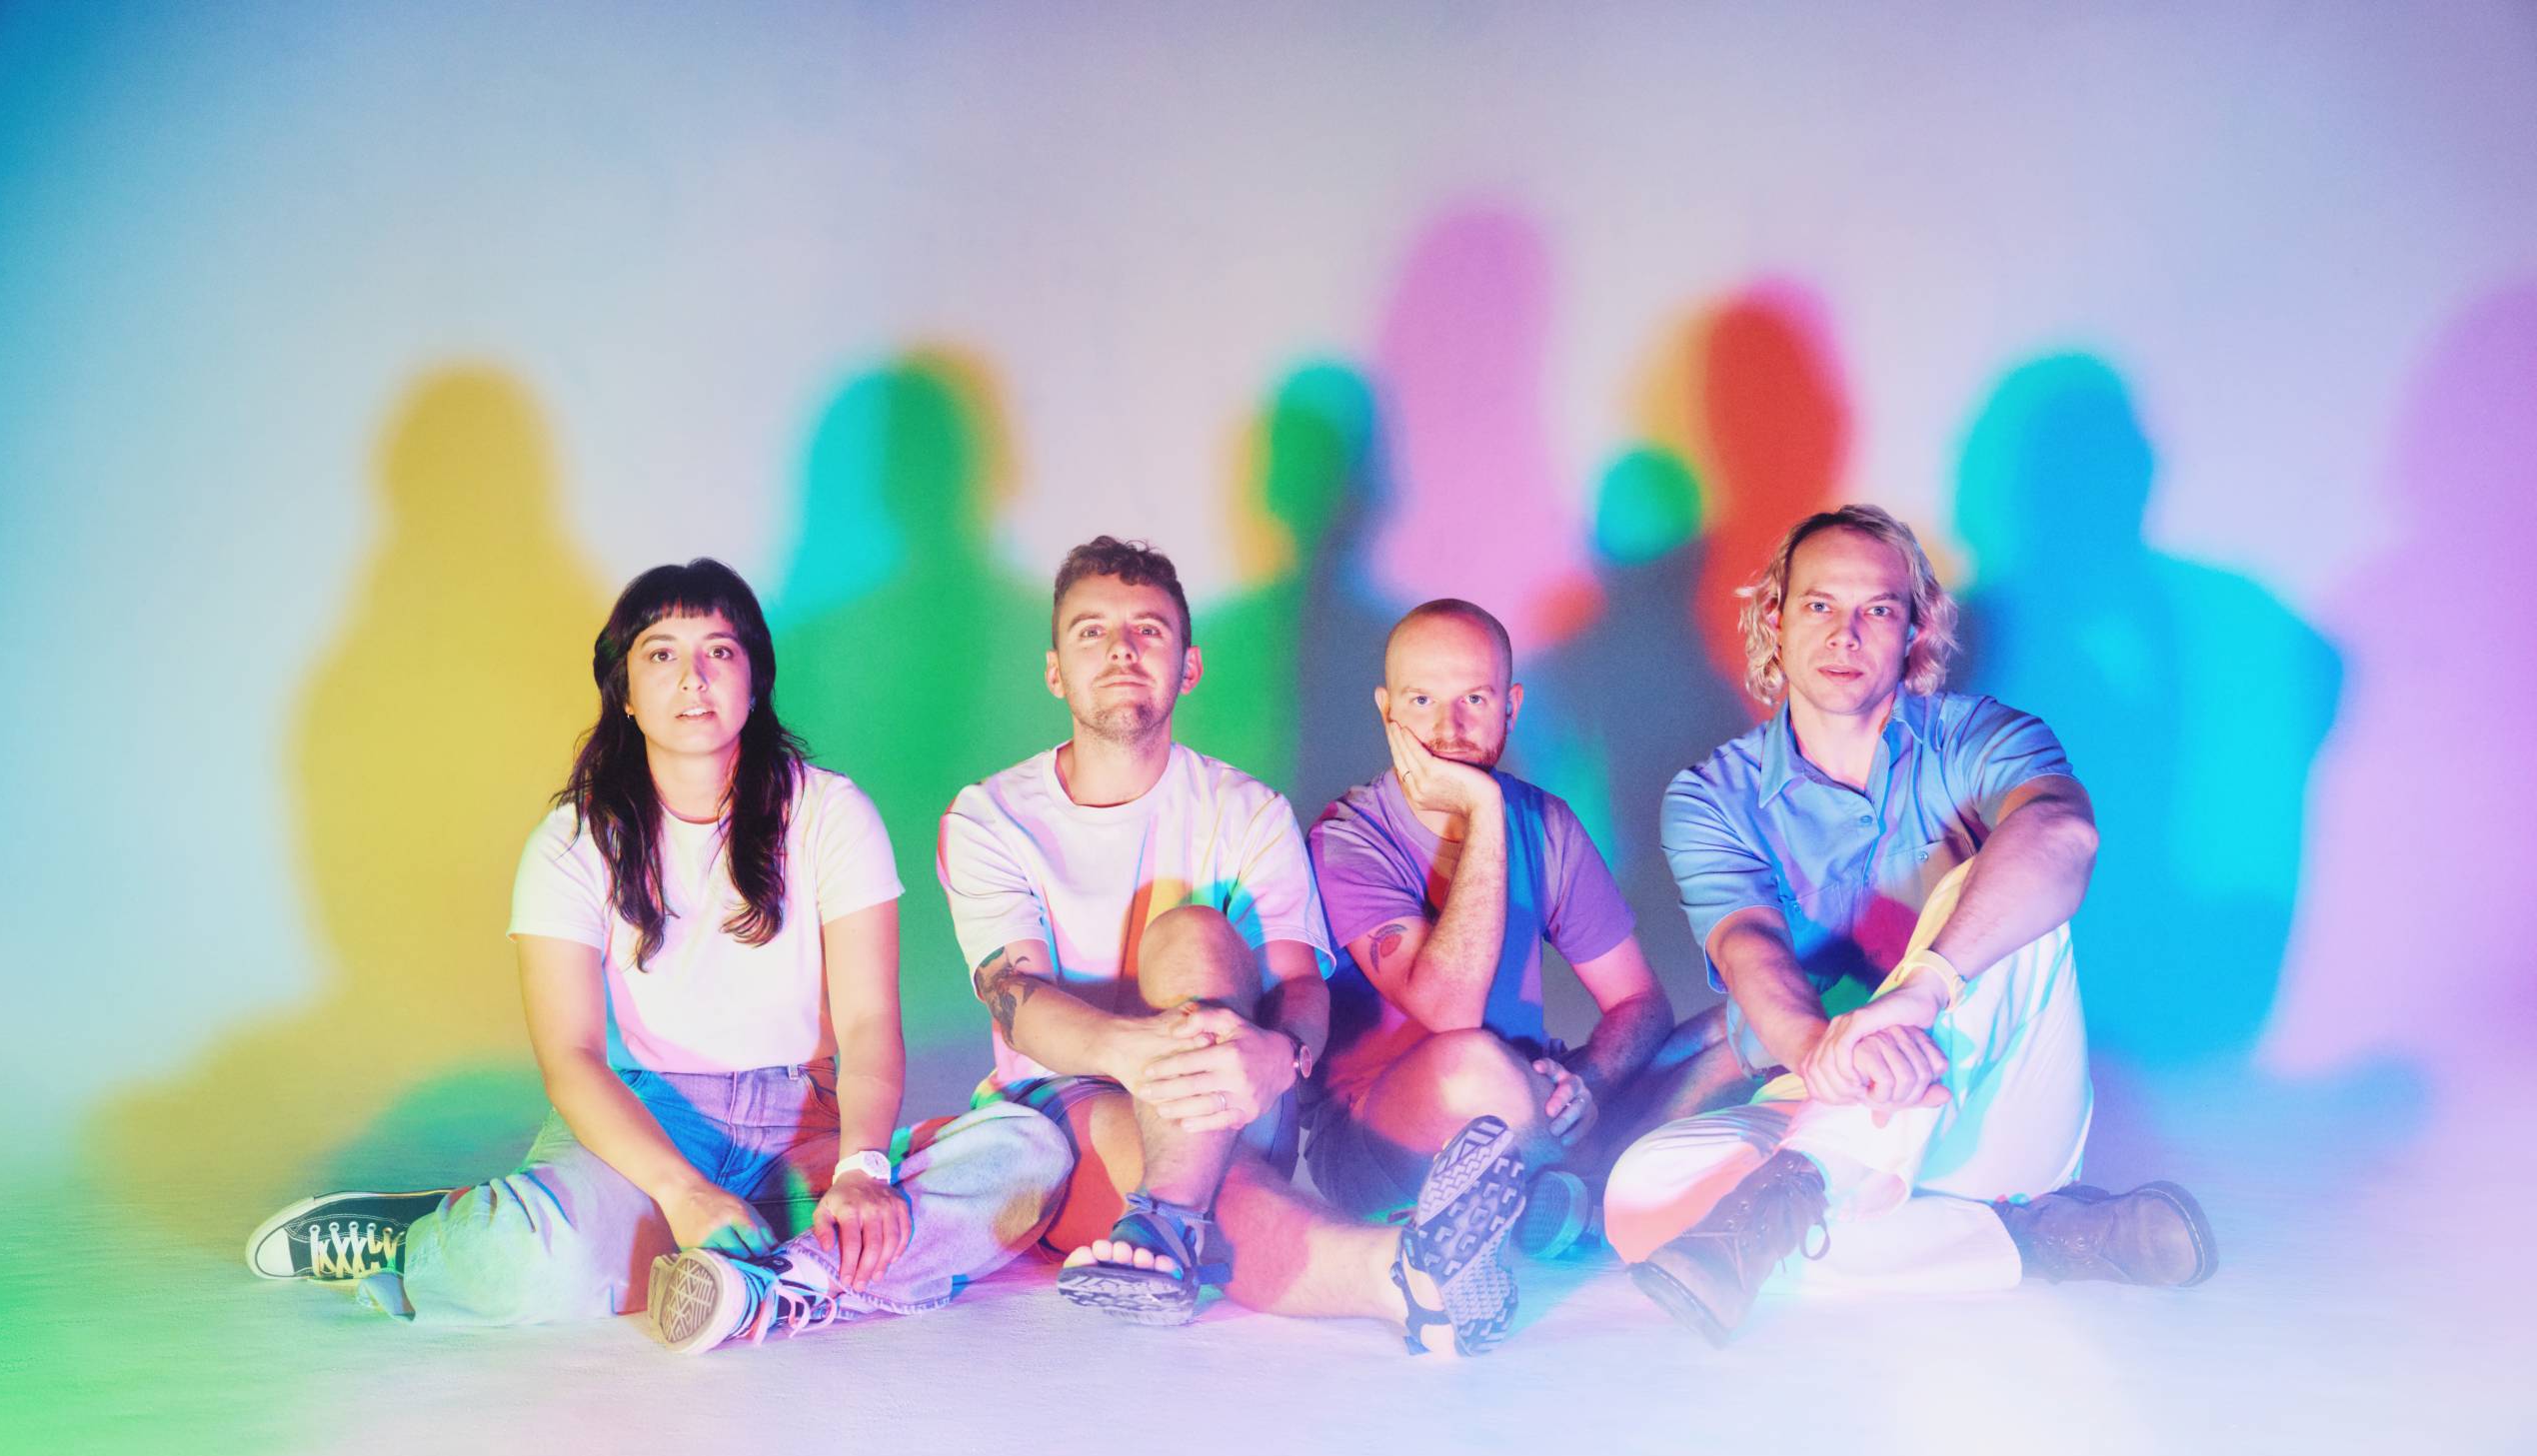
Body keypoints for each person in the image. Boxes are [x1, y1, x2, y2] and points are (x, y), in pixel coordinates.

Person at [244, 559, 1070, 1350]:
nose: (694, 678)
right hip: (651, 1124)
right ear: (627, 694)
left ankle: (763, 1286)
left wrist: (861, 1170)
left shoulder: (830, 813)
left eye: (719, 652)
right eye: (661, 655)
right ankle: (437, 1231)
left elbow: (866, 1021)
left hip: (808, 1127)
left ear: (754, 682)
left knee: (1027, 1155)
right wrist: (681, 1192)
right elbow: (570, 1059)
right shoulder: (572, 842)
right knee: (520, 1270)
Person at [1604, 506, 2217, 1342]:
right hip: (1817, 1097)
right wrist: (1823, 1050)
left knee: (2000, 882)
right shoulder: (1712, 796)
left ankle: (1798, 1198)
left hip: (1988, 1115)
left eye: (1877, 610)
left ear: (1914, 629)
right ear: (1774, 620)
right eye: (1819, 605)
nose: (1846, 634)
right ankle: (2039, 1238)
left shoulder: (1983, 738)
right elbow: (1750, 952)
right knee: (1639, 1198)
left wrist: (1920, 995)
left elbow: (2064, 834)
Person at [937, 536, 1531, 1355]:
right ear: (1054, 670)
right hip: (1068, 1108)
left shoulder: (1247, 810)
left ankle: (1168, 1226)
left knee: (1192, 934)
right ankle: (1405, 1273)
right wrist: (1139, 1055)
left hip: (1246, 1082)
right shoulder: (990, 817)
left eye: (1148, 630)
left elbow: (1300, 983)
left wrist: (1280, 1055)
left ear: (1188, 667)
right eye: (1091, 632)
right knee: (1191, 1157)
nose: (1120, 649)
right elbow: (1019, 1002)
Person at [1303, 599, 1734, 1255]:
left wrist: (1585, 1083)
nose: (1448, 727)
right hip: (1378, 1139)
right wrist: (1481, 806)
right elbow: (1450, 1012)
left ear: (1511, 705)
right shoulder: (1347, 839)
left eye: (1474, 699)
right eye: (1421, 702)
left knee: (1743, 1021)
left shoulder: (1546, 824)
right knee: (1472, 1063)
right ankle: (1592, 1199)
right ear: (1386, 709)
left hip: (1534, 1091)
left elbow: (1638, 1003)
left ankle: (1558, 1188)